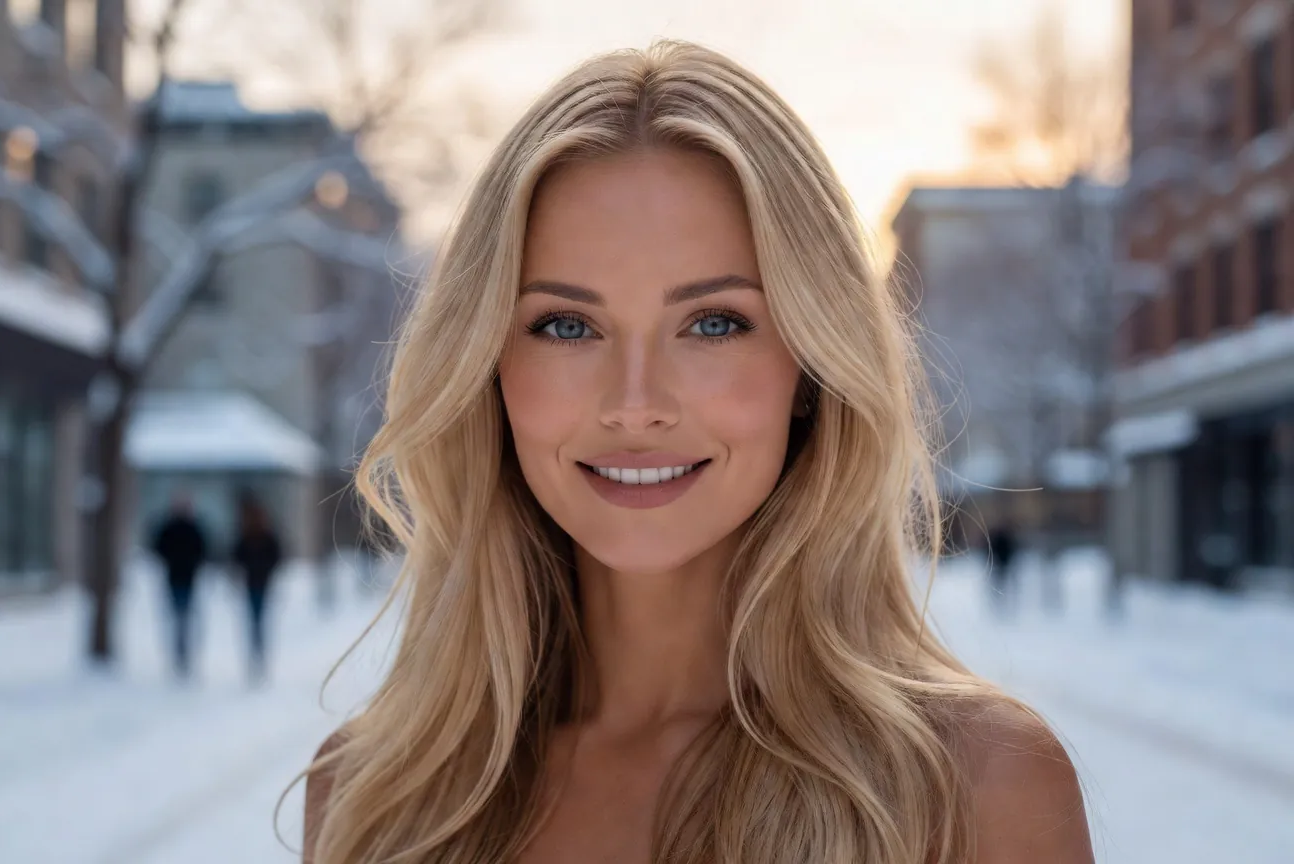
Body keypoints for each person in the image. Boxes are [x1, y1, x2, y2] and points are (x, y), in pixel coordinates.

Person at [299, 42, 1093, 864]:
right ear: (487, 371)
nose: (635, 405)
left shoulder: (978, 790)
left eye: (714, 323)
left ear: (813, 369)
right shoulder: (374, 798)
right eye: (567, 326)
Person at [151, 492, 207, 679]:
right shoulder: (171, 527)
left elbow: (203, 549)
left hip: (187, 578)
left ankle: (183, 653)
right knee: (179, 618)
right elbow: (158, 547)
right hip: (175, 578)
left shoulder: (191, 528)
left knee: (183, 618)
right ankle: (180, 654)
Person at [232, 490, 282, 685]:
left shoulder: (266, 536)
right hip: (252, 584)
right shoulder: (247, 535)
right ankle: (256, 658)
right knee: (255, 623)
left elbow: (275, 556)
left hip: (262, 583)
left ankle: (259, 657)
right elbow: (237, 556)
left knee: (258, 623)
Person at [986, 521, 1019, 615]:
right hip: (1000, 563)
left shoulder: (1003, 538)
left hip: (1003, 563)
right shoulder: (998, 538)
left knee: (1002, 582)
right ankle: (999, 600)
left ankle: (1003, 599)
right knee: (1000, 582)